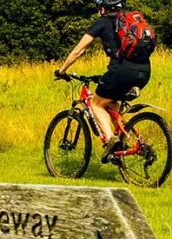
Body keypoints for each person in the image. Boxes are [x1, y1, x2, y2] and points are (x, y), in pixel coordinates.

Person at [56, 0, 152, 162]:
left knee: (95, 103)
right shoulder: (129, 21)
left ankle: (110, 140)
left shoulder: (102, 23)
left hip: (121, 71)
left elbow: (78, 51)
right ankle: (123, 145)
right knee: (111, 103)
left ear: (102, 8)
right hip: (144, 71)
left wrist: (62, 70)